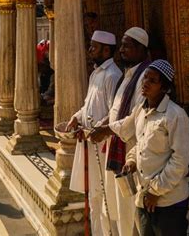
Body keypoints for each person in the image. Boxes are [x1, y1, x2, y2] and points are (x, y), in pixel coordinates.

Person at [93, 59, 189, 236]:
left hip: (169, 202)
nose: (145, 83)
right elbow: (140, 144)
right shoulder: (140, 110)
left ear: (165, 88)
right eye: (145, 78)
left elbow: (180, 160)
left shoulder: (175, 115)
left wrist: (155, 191)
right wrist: (131, 161)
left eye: (152, 81)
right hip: (144, 198)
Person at [91, 27, 150, 236]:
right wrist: (104, 124)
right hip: (117, 146)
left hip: (131, 149)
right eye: (122, 45)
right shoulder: (128, 74)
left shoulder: (145, 77)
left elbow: (135, 118)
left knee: (130, 210)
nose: (122, 50)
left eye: (127, 46)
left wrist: (107, 129)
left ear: (141, 49)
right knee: (116, 207)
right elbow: (116, 109)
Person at [67, 30, 122, 235]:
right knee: (93, 196)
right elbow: (88, 105)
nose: (90, 49)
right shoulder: (95, 74)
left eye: (94, 46)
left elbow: (113, 113)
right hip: (90, 141)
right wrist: (77, 117)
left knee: (104, 194)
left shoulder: (113, 75)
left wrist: (95, 129)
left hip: (103, 143)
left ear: (106, 50)